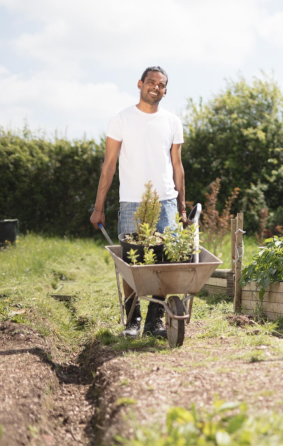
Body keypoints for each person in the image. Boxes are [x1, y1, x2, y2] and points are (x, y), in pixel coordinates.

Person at [90, 66, 187, 338]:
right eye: (151, 82)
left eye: (162, 84)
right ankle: (132, 320)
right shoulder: (121, 119)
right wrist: (98, 207)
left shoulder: (172, 121)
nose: (156, 87)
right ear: (140, 84)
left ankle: (155, 321)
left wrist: (181, 206)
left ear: (165, 91)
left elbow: (178, 167)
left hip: (166, 201)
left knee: (165, 262)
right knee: (132, 264)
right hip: (132, 202)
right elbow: (109, 166)